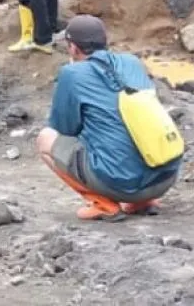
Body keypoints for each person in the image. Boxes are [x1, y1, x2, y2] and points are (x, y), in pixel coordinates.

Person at [36, 15, 182, 220]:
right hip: (165, 178)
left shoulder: (72, 74)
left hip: (122, 185)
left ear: (73, 48)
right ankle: (142, 202)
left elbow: (65, 129)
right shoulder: (132, 62)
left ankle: (104, 204)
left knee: (45, 139)